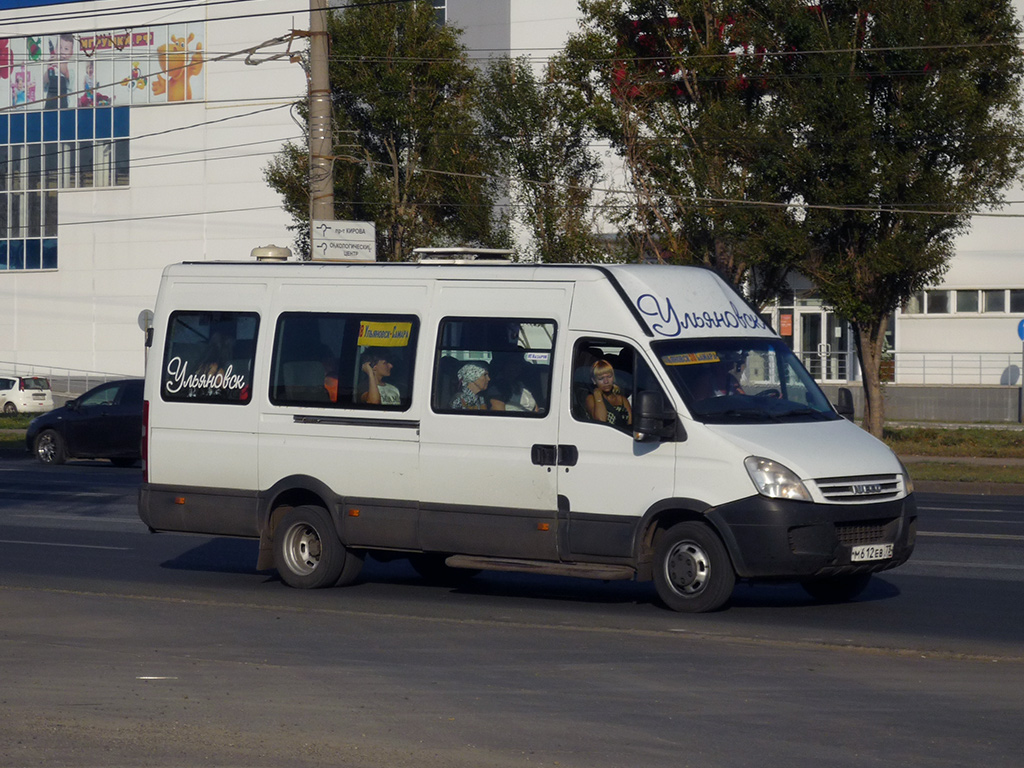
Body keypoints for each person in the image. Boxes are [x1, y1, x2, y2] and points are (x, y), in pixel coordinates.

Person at [586, 360, 631, 431]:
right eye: (601, 378)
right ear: (594, 381)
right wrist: (598, 396)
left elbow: (630, 425)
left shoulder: (622, 399)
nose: (606, 381)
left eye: (609, 376)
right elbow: (601, 420)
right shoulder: (591, 399)